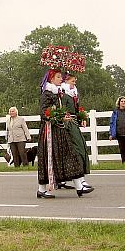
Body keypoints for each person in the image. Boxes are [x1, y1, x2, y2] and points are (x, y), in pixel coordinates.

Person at [37, 68, 90, 198]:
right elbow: (44, 113)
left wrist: (63, 116)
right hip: (49, 132)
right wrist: (58, 117)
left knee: (69, 155)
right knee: (48, 159)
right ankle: (41, 189)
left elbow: (59, 111)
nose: (61, 79)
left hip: (60, 130)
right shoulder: (47, 94)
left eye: (61, 77)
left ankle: (79, 186)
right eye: (59, 77)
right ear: (51, 79)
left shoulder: (58, 94)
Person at [62, 73, 93, 190]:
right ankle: (79, 180)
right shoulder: (63, 94)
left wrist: (82, 117)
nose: (74, 83)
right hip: (67, 125)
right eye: (72, 81)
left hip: (73, 124)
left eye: (75, 82)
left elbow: (77, 109)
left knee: (81, 148)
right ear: (66, 81)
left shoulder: (74, 94)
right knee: (74, 150)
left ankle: (81, 179)